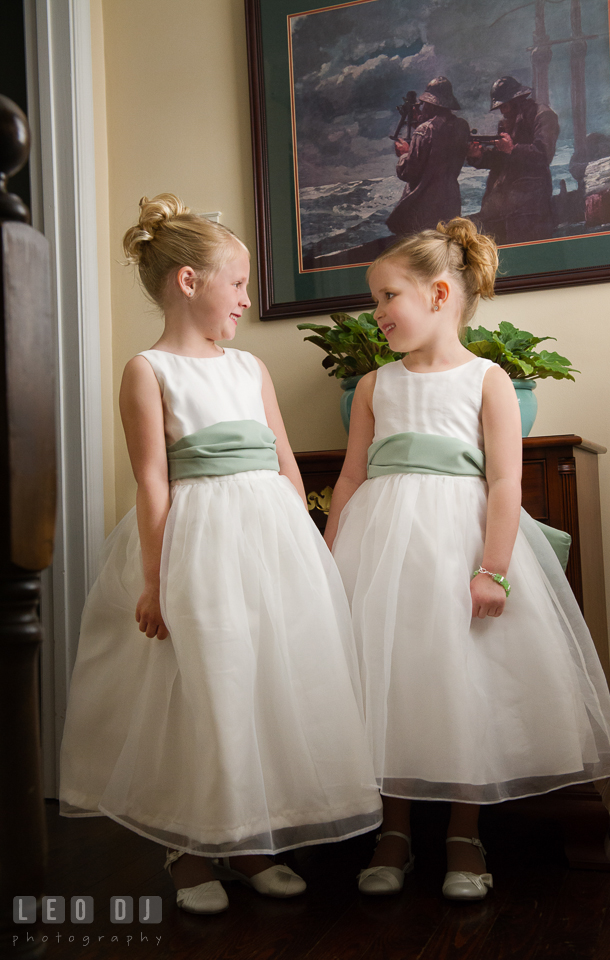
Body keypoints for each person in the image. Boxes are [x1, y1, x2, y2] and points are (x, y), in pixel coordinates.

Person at [59, 194, 382, 915]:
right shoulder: (148, 371)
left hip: (267, 541)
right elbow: (151, 480)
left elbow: (283, 460)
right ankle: (189, 847)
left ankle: (249, 839)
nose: (243, 299)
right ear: (188, 282)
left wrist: (301, 538)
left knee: (261, 681)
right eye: (235, 284)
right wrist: (156, 578)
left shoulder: (248, 369)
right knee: (204, 686)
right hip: (195, 546)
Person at [324, 217, 610, 901]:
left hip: (458, 544)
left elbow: (503, 483)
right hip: (381, 551)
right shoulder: (376, 386)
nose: (375, 314)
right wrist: (330, 553)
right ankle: (393, 830)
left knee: (461, 681)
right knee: (390, 679)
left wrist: (491, 566)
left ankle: (465, 830)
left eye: (385, 298)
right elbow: (350, 477)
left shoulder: (487, 380)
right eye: (374, 301)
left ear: (437, 294)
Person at [467, 76, 559, 244]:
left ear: (517, 100)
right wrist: (479, 157)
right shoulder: (507, 123)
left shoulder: (543, 115)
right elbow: (500, 160)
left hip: (530, 206)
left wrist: (512, 149)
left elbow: (544, 155)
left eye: (505, 106)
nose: (503, 112)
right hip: (503, 206)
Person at [386, 77, 470, 237]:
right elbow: (440, 136)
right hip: (451, 203)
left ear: (432, 104)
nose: (422, 106)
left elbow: (409, 173)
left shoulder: (424, 131)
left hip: (424, 208)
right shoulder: (461, 126)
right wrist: (420, 122)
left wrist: (404, 153)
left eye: (425, 103)